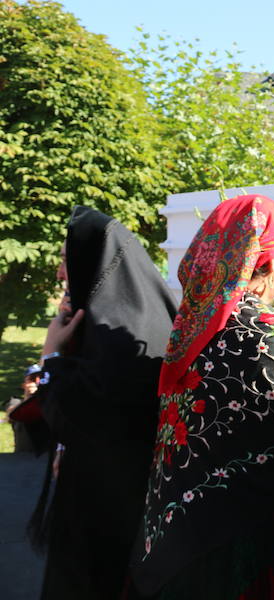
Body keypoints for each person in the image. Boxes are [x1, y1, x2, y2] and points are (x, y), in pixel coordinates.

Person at [130, 195, 274, 600]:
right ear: (269, 260)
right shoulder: (270, 331)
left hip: (175, 525)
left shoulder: (192, 322)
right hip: (241, 537)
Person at [22, 206, 178, 600]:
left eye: (65, 261)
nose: (61, 272)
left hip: (109, 514)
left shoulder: (120, 334)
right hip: (112, 502)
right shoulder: (122, 318)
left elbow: (81, 417)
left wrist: (51, 358)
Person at [6, 364, 41, 453]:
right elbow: (10, 413)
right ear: (24, 385)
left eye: (39, 379)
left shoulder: (46, 404)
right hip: (21, 457)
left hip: (43, 457)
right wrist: (30, 396)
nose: (35, 383)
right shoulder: (15, 402)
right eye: (32, 379)